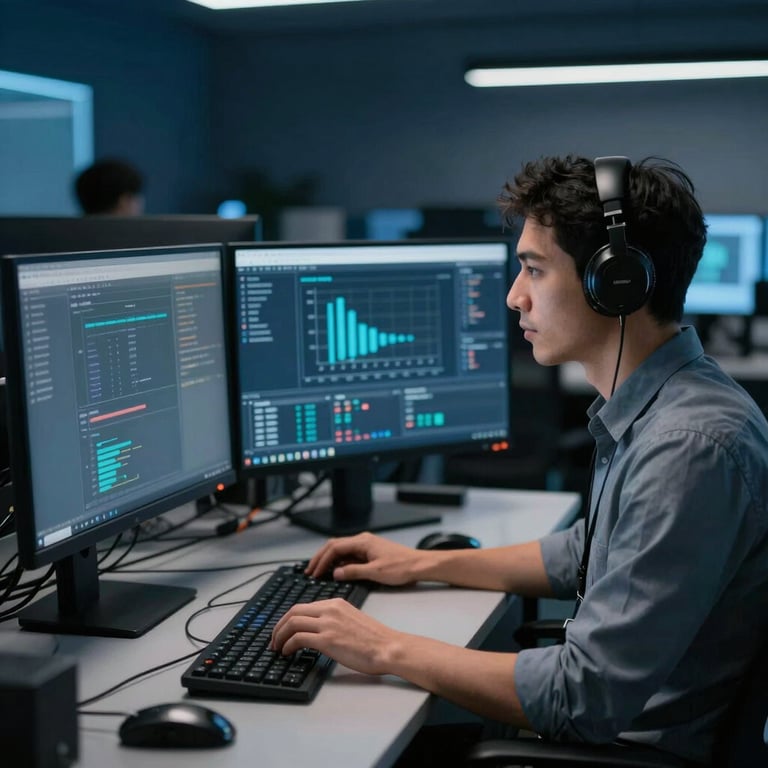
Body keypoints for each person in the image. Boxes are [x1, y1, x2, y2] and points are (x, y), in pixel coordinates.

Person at [270, 155, 768, 767]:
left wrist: (383, 647)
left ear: (614, 283)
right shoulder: (671, 407)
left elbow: (583, 697)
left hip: (620, 754)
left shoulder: (688, 446)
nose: (513, 297)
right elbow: (587, 551)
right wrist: (421, 562)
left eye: (534, 269)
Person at [74, 157, 145, 215]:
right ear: (124, 201)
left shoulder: (68, 231)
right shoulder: (139, 232)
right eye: (136, 196)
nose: (141, 203)